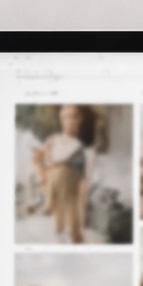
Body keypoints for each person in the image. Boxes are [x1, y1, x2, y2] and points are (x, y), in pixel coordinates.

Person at [32, 104, 92, 244]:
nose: (70, 120)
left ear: (79, 121)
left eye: (74, 117)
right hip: (52, 186)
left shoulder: (78, 147)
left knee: (73, 228)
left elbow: (82, 179)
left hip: (70, 191)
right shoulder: (53, 140)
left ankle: (74, 236)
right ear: (61, 120)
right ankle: (51, 206)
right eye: (66, 117)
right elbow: (37, 160)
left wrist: (83, 203)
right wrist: (43, 175)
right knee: (58, 228)